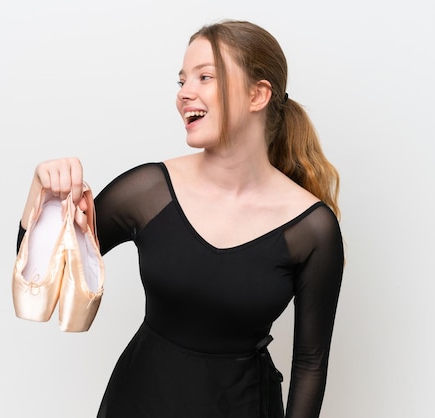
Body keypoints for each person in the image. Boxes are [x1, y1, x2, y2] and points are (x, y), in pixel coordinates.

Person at [17, 19, 344, 418]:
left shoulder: (311, 228)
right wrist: (43, 197)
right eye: (182, 81)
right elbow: (46, 280)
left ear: (258, 95)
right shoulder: (149, 191)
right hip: (137, 402)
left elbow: (310, 364)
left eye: (205, 77)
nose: (185, 94)